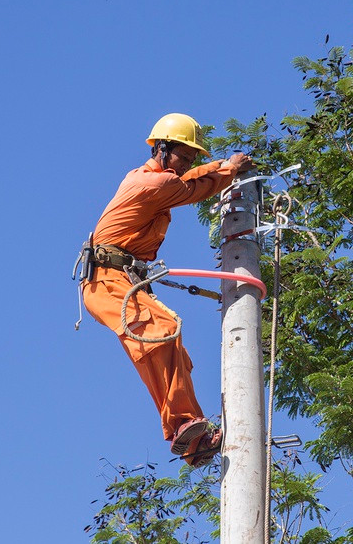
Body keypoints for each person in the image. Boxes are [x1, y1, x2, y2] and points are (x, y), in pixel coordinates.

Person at [80, 113, 253, 467]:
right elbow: (192, 188)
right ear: (161, 148)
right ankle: (183, 424)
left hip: (120, 279)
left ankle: (193, 441)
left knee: (169, 348)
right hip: (106, 280)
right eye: (182, 156)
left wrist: (220, 166)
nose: (185, 165)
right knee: (162, 331)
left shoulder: (158, 179)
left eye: (191, 159)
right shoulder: (151, 184)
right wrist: (230, 170)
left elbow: (186, 180)